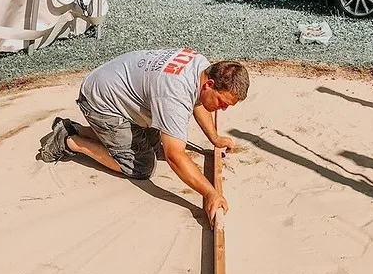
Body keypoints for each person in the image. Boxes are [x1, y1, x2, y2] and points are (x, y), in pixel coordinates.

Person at [39, 48, 249, 223]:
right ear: (210, 84)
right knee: (140, 165)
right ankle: (69, 141)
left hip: (112, 86)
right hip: (101, 103)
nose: (222, 109)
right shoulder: (174, 92)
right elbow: (174, 156)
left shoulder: (201, 65)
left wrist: (214, 138)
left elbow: (198, 101)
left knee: (152, 142)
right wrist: (210, 193)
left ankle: (74, 128)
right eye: (222, 102)